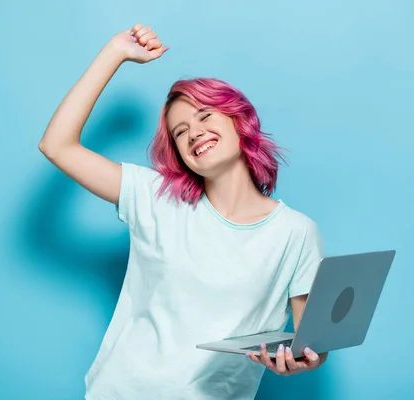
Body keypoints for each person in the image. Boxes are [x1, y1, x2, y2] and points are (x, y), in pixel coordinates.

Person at [39, 23, 327, 400]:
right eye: (180, 131)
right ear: (180, 154)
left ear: (240, 122)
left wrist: (303, 360)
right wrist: (115, 52)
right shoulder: (154, 198)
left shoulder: (296, 232)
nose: (194, 132)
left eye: (206, 116)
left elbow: (314, 343)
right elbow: (57, 145)